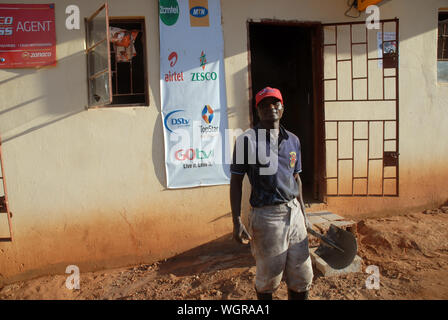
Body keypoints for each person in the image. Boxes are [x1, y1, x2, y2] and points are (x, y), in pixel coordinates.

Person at [230, 87, 313, 300]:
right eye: (264, 105)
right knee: (269, 280)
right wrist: (237, 220)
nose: (270, 108)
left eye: (275, 103)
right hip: (266, 217)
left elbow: (296, 178)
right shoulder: (245, 141)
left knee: (302, 276)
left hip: (294, 215)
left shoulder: (293, 140)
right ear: (258, 112)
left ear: (282, 108)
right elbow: (236, 181)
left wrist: (304, 215)